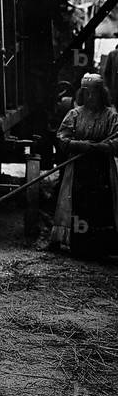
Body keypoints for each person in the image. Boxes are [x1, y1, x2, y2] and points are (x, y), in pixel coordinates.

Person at [50, 74, 118, 258]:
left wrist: (99, 148)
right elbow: (62, 138)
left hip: (101, 171)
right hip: (78, 170)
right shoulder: (74, 114)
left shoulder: (111, 116)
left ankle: (101, 249)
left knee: (100, 208)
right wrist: (81, 145)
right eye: (86, 93)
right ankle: (80, 248)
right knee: (79, 207)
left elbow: (116, 143)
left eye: (94, 93)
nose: (90, 97)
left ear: (102, 93)